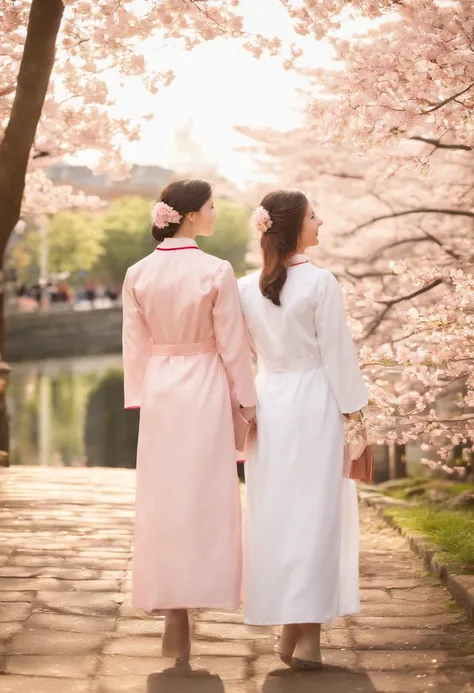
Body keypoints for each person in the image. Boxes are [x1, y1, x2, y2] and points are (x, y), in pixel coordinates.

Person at [122, 178, 256, 662]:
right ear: (191, 215)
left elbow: (134, 346)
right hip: (204, 383)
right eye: (212, 207)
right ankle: (198, 597)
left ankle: (173, 616)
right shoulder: (216, 270)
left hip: (161, 387)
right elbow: (233, 344)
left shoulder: (138, 272)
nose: (216, 213)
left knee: (163, 498)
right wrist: (247, 400)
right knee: (206, 496)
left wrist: (140, 393)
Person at [238, 189, 368, 671]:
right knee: (314, 516)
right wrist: (356, 414)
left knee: (277, 516)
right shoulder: (319, 282)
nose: (322, 222)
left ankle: (291, 627)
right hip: (314, 403)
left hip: (270, 400)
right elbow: (337, 354)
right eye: (315, 215)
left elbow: (239, 353)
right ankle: (306, 635)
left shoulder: (245, 286)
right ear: (294, 227)